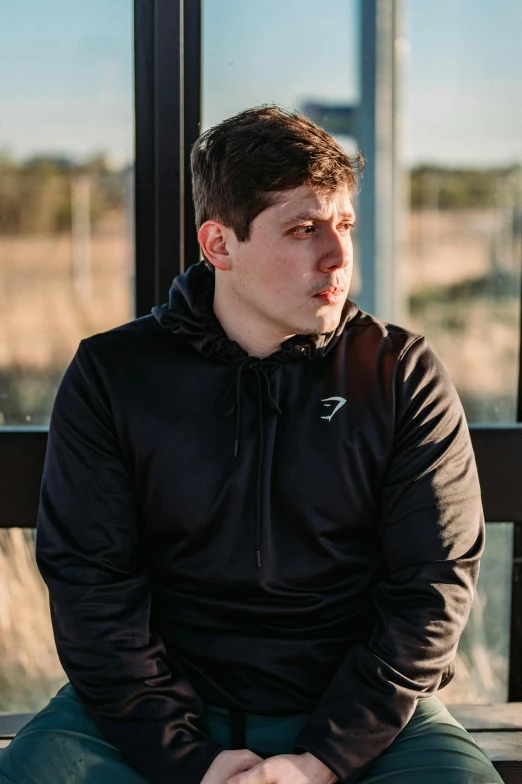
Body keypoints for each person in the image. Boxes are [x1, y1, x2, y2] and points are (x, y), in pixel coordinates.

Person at [0, 106, 502, 784]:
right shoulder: (114, 375)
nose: (338, 253)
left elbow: (432, 586)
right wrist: (189, 760)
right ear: (219, 245)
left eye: (344, 224)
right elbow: (92, 586)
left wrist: (323, 759)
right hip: (150, 714)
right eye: (303, 228)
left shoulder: (399, 372)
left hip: (360, 713)